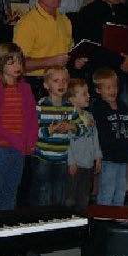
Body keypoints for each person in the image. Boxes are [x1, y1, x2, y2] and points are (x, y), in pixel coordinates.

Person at [0, 43, 38, 212]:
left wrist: (31, 141)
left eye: (19, 62)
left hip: (19, 149)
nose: (17, 66)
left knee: (11, 191)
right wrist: (13, 138)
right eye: (12, 62)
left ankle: (6, 223)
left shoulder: (25, 88)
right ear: (0, 65)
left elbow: (32, 117)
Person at [13, 0, 80, 97]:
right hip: (37, 85)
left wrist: (75, 61)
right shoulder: (28, 23)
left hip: (62, 81)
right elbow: (19, 64)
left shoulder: (64, 20)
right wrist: (50, 61)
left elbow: (67, 54)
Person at [72, 0, 128, 91]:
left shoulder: (126, 12)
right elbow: (89, 47)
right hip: (99, 77)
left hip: (126, 75)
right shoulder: (88, 14)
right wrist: (120, 60)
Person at [33, 66, 84, 206]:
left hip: (62, 158)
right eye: (56, 81)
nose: (61, 84)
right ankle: (44, 217)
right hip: (43, 158)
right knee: (43, 191)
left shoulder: (70, 108)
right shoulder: (40, 107)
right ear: (46, 85)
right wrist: (48, 131)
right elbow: (32, 131)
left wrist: (71, 127)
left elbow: (83, 129)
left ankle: (57, 216)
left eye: (64, 81)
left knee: (59, 192)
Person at [91, 68, 128, 206]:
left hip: (123, 155)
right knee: (107, 188)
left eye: (114, 86)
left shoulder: (123, 106)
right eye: (108, 88)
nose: (112, 90)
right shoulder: (98, 109)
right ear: (98, 90)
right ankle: (104, 214)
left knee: (122, 188)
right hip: (109, 156)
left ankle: (117, 213)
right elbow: (99, 134)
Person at [65, 78, 102, 211]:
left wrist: (98, 156)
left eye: (88, 93)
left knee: (84, 196)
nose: (88, 96)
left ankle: (82, 217)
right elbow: (66, 140)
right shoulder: (68, 117)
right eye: (84, 94)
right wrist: (71, 161)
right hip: (76, 164)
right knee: (70, 198)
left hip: (88, 163)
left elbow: (94, 136)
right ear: (71, 99)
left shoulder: (89, 116)